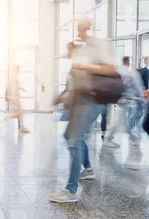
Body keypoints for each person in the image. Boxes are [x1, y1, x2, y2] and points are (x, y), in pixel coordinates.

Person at [47, 18, 118, 203]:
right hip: (80, 98)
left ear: (87, 28)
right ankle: (86, 170)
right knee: (69, 136)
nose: (79, 32)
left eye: (81, 28)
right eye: (78, 28)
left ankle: (71, 190)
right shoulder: (84, 48)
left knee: (75, 140)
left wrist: (83, 66)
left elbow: (109, 69)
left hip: (91, 99)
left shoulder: (97, 46)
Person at [102, 56, 144, 148]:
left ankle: (133, 138)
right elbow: (138, 86)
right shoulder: (131, 73)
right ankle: (108, 138)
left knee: (122, 121)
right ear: (128, 61)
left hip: (118, 98)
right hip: (126, 99)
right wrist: (142, 98)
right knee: (120, 121)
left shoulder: (118, 71)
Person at [5, 65, 30, 133]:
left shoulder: (14, 76)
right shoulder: (14, 76)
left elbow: (15, 86)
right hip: (14, 97)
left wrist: (23, 89)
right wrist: (7, 95)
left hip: (14, 97)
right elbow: (10, 86)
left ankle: (20, 126)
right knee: (20, 112)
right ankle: (21, 127)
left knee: (19, 112)